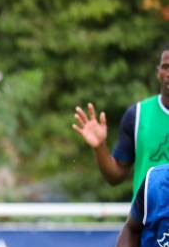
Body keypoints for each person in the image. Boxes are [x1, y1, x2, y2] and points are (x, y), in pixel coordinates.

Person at [72, 43, 169, 196]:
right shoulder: (137, 115)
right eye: (166, 67)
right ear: (158, 72)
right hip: (147, 218)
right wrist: (100, 147)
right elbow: (115, 176)